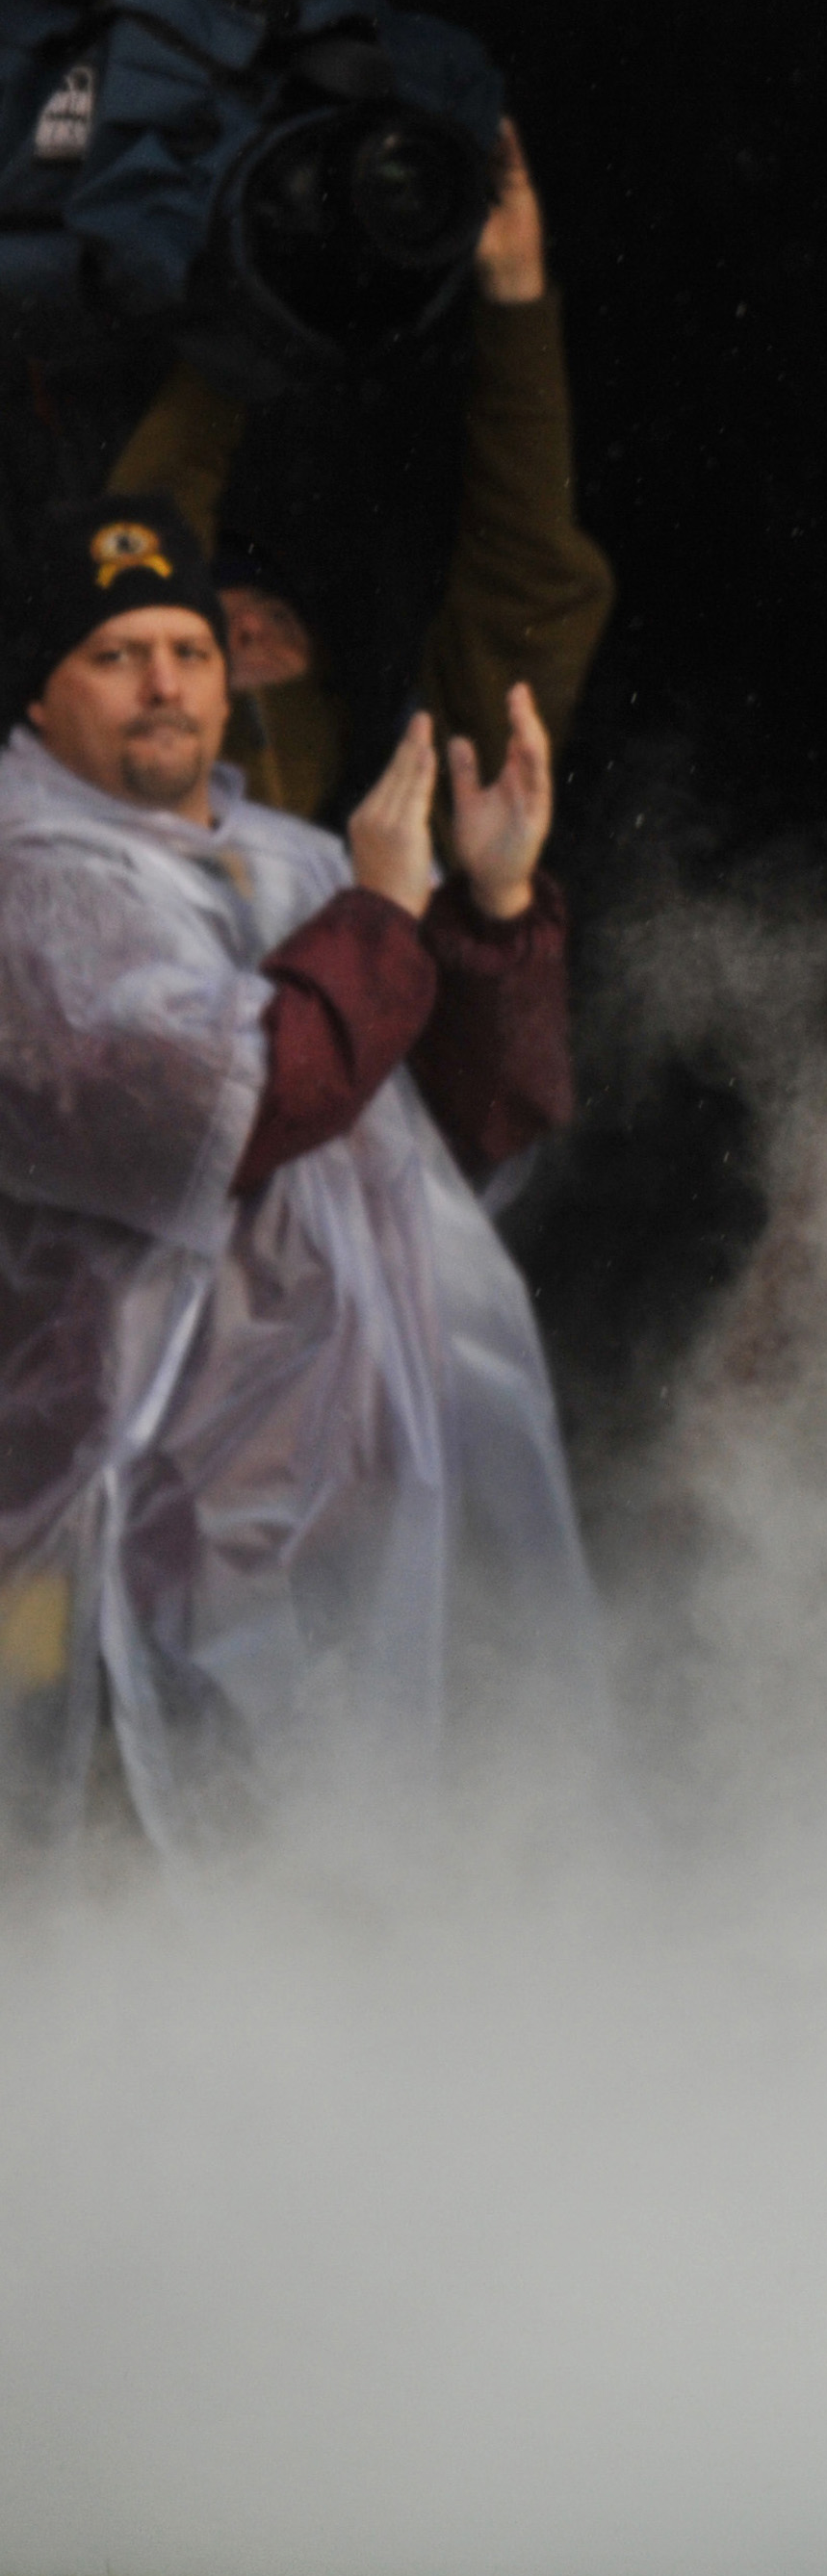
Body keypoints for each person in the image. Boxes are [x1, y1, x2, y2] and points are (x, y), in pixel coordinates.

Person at [0, 490, 595, 1850]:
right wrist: (386, 916)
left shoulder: (300, 856)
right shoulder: (31, 890)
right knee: (167, 1903)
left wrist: (491, 913)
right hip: (136, 1535)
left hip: (346, 1505)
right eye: (116, 654)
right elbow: (245, 1100)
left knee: (371, 1896)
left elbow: (464, 1125)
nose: (165, 682)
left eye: (192, 650)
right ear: (39, 699)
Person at [113, 119, 614, 824]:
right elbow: (524, 590)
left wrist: (245, 314)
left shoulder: (411, 831)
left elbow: (148, 515)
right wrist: (514, 303)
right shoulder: (411, 824)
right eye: (224, 619)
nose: (251, 630)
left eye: (269, 616)